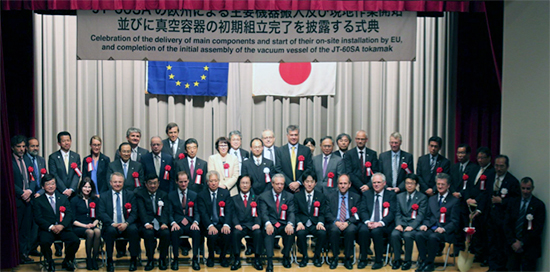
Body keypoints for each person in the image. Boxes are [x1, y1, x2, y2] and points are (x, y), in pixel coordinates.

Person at [33, 174, 80, 272]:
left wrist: (62, 225)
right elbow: (38, 218)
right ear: (43, 186)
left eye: (53, 183)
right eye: (48, 184)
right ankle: (50, 262)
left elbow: (69, 214)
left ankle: (67, 260)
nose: (51, 186)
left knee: (75, 240)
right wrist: (51, 227)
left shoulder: (63, 198)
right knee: (44, 242)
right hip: (48, 229)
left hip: (62, 228)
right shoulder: (38, 200)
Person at [415, 173, 459, 272]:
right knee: (419, 235)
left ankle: (430, 264)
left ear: (448, 186)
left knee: (433, 237)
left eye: (443, 184)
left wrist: (444, 228)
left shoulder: (454, 201)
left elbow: (455, 221)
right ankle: (423, 261)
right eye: (438, 184)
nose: (440, 186)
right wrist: (425, 225)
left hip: (445, 231)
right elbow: (427, 216)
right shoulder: (432, 199)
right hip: (431, 228)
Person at [485, 155, 520, 271]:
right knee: (491, 243)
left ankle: (500, 268)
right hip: (490, 217)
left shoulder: (512, 181)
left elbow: (516, 200)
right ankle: (492, 267)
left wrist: (503, 201)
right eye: (497, 166)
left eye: (501, 166)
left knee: (501, 245)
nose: (498, 169)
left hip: (503, 219)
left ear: (507, 166)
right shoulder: (490, 176)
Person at [504, 177, 546, 272]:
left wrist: (522, 243)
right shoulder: (513, 202)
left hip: (529, 248)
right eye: (523, 188)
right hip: (512, 247)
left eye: (528, 188)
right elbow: (507, 223)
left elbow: (538, 228)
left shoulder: (538, 205)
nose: (525, 191)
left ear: (532, 188)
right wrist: (513, 242)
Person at [357, 173, 397, 270]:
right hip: (369, 222)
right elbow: (362, 210)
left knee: (376, 231)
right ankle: (363, 259)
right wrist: (367, 221)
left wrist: (380, 223)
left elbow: (392, 212)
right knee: (363, 231)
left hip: (383, 224)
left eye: (379, 182)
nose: (376, 184)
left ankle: (379, 260)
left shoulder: (391, 195)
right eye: (374, 182)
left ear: (384, 183)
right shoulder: (366, 194)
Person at [461, 146, 493, 266]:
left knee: (482, 233)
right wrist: (468, 198)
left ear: (489, 158)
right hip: (470, 205)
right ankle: (475, 253)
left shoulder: (491, 172)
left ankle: (483, 256)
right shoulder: (474, 169)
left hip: (482, 208)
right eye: (478, 157)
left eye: (483, 158)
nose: (480, 160)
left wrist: (477, 202)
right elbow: (468, 186)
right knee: (473, 233)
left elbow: (486, 192)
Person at [258, 174, 295, 272]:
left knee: (290, 232)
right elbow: (264, 213)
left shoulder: (289, 196)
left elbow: (291, 212)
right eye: (277, 184)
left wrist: (290, 223)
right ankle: (269, 261)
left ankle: (286, 257)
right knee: (268, 233)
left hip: (283, 224)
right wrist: (268, 223)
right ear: (272, 184)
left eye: (282, 184)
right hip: (271, 224)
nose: (279, 186)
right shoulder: (264, 196)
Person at [390, 174, 428, 270]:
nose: (409, 186)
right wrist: (399, 224)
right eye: (407, 183)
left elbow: (421, 215)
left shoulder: (422, 197)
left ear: (416, 185)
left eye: (412, 183)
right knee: (394, 234)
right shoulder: (399, 196)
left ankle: (407, 261)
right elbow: (397, 212)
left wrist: (412, 226)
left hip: (414, 225)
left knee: (407, 236)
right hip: (402, 223)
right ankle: (397, 260)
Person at [196, 170, 233, 267]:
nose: (213, 183)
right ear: (207, 182)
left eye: (215, 181)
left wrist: (226, 225)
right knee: (211, 234)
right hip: (207, 224)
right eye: (211, 181)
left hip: (221, 223)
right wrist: (210, 226)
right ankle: (211, 257)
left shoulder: (225, 193)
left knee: (227, 233)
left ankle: (223, 257)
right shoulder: (202, 195)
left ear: (219, 181)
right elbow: (203, 213)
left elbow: (229, 211)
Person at [135, 174, 171, 271]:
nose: (152, 186)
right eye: (150, 183)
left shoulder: (163, 194)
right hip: (146, 223)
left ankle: (162, 259)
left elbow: (166, 210)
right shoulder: (140, 195)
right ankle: (150, 259)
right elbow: (141, 211)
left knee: (166, 233)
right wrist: (146, 223)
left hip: (160, 223)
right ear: (146, 184)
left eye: (155, 183)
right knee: (148, 233)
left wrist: (164, 223)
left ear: (158, 184)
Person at [168, 171, 201, 271]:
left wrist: (195, 222)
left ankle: (195, 259)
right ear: (176, 182)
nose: (183, 184)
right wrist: (173, 223)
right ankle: (176, 259)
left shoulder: (194, 195)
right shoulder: (171, 195)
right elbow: (169, 213)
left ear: (188, 181)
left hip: (191, 223)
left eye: (185, 181)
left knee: (197, 232)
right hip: (177, 224)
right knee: (173, 232)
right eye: (181, 181)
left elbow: (197, 212)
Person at [326, 174, 361, 270]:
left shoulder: (356, 197)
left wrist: (348, 222)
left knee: (350, 230)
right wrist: (335, 222)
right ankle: (335, 257)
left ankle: (348, 258)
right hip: (335, 222)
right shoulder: (330, 196)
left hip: (349, 223)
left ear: (349, 184)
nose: (343, 186)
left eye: (345, 183)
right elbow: (327, 213)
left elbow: (358, 214)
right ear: (337, 184)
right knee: (333, 230)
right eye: (340, 183)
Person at [294, 170, 327, 267]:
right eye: (307, 181)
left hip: (315, 223)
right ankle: (304, 256)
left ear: (315, 183)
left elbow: (322, 212)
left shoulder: (320, 196)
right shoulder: (297, 196)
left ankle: (317, 256)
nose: (309, 184)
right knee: (300, 233)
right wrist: (299, 222)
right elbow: (295, 212)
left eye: (312, 181)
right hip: (303, 223)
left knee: (322, 233)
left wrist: (320, 222)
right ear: (303, 183)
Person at [230, 175, 263, 271]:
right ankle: (237, 259)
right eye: (242, 183)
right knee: (235, 233)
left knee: (258, 233)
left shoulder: (256, 198)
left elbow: (259, 213)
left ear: (250, 185)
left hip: (252, 225)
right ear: (239, 185)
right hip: (240, 225)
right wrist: (236, 224)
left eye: (247, 183)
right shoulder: (234, 198)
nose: (245, 185)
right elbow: (232, 213)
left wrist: (257, 223)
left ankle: (257, 259)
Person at [11, 135, 35, 264]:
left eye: (23, 146)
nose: (21, 149)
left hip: (28, 199)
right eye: (18, 147)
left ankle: (25, 253)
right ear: (12, 147)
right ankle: (17, 255)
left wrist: (30, 191)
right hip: (17, 200)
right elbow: (8, 181)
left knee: (27, 228)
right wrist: (21, 193)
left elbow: (33, 177)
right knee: (18, 228)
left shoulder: (27, 159)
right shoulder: (9, 161)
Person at [70, 178, 101, 270]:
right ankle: (88, 259)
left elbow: (98, 216)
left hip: (92, 225)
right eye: (85, 187)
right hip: (79, 226)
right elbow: (73, 219)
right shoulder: (74, 200)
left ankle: (94, 258)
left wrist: (94, 224)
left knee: (97, 231)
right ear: (81, 187)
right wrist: (85, 226)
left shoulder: (95, 199)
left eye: (89, 187)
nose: (87, 189)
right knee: (90, 232)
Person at [25, 137, 48, 258]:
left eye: (37, 146)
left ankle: (34, 247)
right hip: (28, 196)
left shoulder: (41, 160)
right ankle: (26, 250)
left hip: (40, 195)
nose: (35, 148)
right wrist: (30, 192)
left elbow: (44, 177)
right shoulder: (24, 159)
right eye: (33, 146)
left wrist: (42, 191)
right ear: (27, 148)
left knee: (38, 225)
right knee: (29, 225)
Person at [274, 125, 314, 193]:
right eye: (291, 135)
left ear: (298, 135)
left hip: (302, 188)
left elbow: (309, 168)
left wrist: (298, 182)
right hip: (286, 188)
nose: (294, 137)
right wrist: (289, 183)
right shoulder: (280, 151)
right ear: (287, 135)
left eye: (296, 135)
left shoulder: (306, 150)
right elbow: (278, 169)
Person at [48, 131, 81, 197]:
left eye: (68, 140)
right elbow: (54, 174)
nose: (66, 143)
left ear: (71, 141)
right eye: (63, 141)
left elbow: (77, 174)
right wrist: (64, 189)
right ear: (59, 143)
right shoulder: (53, 157)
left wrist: (71, 189)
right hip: (59, 192)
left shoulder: (76, 156)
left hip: (73, 193)